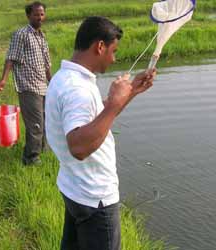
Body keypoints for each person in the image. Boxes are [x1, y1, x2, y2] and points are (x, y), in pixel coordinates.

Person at [45, 16, 156, 250]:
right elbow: (79, 147)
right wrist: (115, 104)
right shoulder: (78, 90)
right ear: (100, 46)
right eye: (113, 51)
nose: (114, 58)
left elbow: (94, 122)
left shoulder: (65, 77)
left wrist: (131, 92)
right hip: (96, 199)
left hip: (75, 188)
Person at [0, 1, 52, 165]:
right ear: (28, 16)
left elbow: (47, 64)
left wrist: (53, 83)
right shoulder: (21, 34)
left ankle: (42, 150)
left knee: (45, 120)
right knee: (35, 124)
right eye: (36, 14)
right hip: (28, 87)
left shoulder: (41, 36)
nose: (40, 17)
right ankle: (30, 158)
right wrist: (4, 79)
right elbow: (11, 58)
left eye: (42, 14)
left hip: (43, 87)